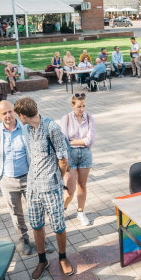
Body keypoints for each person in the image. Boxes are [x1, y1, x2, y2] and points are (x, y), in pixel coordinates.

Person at [12, 97, 74, 280]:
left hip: (51, 187)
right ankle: (42, 260)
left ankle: (63, 258)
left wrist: (57, 178)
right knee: (37, 225)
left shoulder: (51, 128)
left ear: (23, 115)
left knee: (58, 226)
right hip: (32, 187)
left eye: (18, 115)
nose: (17, 118)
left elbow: (63, 160)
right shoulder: (26, 128)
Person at [0, 100, 49, 257]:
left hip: (29, 178)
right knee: (16, 214)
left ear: (15, 111)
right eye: (4, 113)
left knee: (36, 210)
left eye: (10, 111)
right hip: (7, 180)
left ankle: (41, 240)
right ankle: (24, 241)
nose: (8, 115)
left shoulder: (26, 128)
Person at [59, 94, 95, 227]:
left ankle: (80, 211)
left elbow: (90, 140)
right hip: (71, 156)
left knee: (82, 185)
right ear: (72, 105)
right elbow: (64, 140)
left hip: (86, 154)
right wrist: (80, 142)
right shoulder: (66, 119)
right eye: (79, 106)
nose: (82, 109)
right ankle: (61, 209)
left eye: (84, 105)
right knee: (70, 189)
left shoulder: (90, 118)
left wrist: (72, 141)